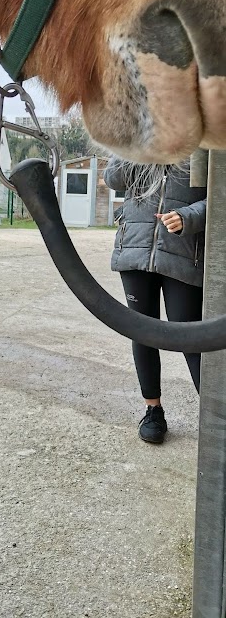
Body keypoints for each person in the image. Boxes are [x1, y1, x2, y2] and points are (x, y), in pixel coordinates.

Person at [104, 156, 206, 444]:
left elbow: (219, 197)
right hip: (134, 250)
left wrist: (189, 216)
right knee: (143, 333)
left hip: (184, 255)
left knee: (191, 337)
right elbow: (113, 179)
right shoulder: (138, 140)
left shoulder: (203, 143)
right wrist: (138, 145)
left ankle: (215, 414)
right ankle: (153, 411)